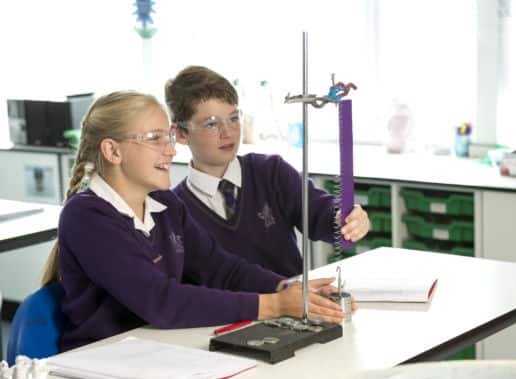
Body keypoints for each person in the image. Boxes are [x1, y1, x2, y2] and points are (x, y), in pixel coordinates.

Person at [40, 91, 345, 352]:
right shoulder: (87, 218)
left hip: (162, 349)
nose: (171, 150)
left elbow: (221, 270)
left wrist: (286, 288)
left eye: (169, 137)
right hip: (103, 358)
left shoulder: (166, 204)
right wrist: (274, 306)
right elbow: (161, 302)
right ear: (112, 150)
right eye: (155, 139)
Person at [165, 66, 370, 278]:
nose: (228, 132)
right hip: (231, 311)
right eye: (211, 124)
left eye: (234, 118)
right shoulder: (173, 211)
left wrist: (344, 217)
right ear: (180, 134)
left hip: (295, 307)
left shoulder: (271, 172)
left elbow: (319, 212)